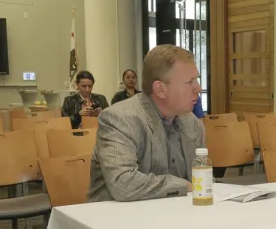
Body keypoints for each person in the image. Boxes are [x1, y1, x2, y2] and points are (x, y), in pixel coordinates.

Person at [88, 45, 206, 202]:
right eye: (190, 82)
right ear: (160, 89)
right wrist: (182, 185)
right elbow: (123, 184)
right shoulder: (119, 119)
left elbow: (200, 178)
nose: (198, 88)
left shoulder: (192, 123)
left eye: (197, 79)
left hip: (173, 215)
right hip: (116, 220)